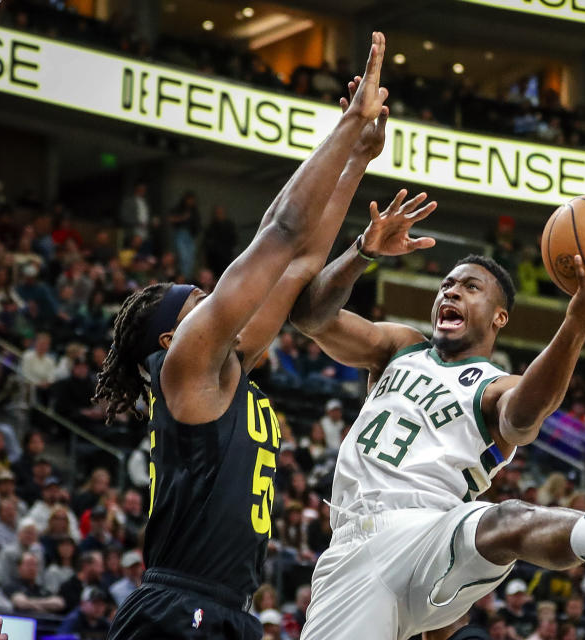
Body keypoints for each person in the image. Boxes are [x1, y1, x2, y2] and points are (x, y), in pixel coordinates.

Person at [96, 33, 392, 640]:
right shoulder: (188, 368)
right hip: (177, 610)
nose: (220, 305)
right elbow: (281, 232)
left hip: (229, 610)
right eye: (202, 304)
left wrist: (358, 158)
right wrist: (346, 128)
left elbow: (299, 263)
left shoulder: (230, 365)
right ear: (171, 338)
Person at [290, 188, 585, 640]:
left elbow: (523, 420)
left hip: (430, 529)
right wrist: (363, 251)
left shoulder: (496, 385)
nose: (451, 290)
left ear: (499, 318)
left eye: (470, 287)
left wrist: (578, 321)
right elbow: (311, 317)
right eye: (447, 285)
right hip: (352, 545)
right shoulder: (399, 347)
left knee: (504, 521)